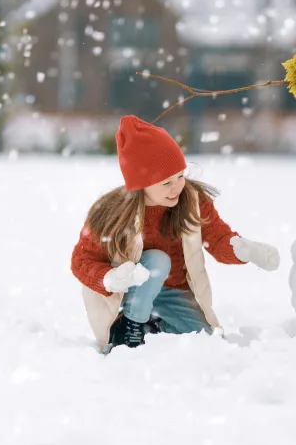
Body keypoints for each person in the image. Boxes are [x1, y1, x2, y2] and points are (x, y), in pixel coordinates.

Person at [70, 115, 280, 352]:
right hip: (128, 292)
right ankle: (129, 325)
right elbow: (81, 260)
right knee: (158, 260)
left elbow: (218, 238)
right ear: (141, 183)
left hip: (175, 294)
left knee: (206, 342)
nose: (177, 186)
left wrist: (243, 250)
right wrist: (109, 278)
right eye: (166, 182)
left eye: (180, 175)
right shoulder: (111, 212)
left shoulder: (193, 201)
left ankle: (153, 325)